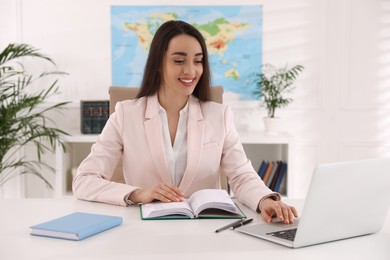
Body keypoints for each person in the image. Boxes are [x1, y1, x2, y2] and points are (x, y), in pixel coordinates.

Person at [73, 20, 298, 224]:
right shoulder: (125, 114)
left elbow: (241, 175)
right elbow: (84, 180)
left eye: (198, 61)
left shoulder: (219, 116)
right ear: (158, 64)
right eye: (179, 60)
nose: (191, 70)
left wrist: (264, 200)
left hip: (207, 231)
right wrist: (138, 193)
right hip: (145, 230)